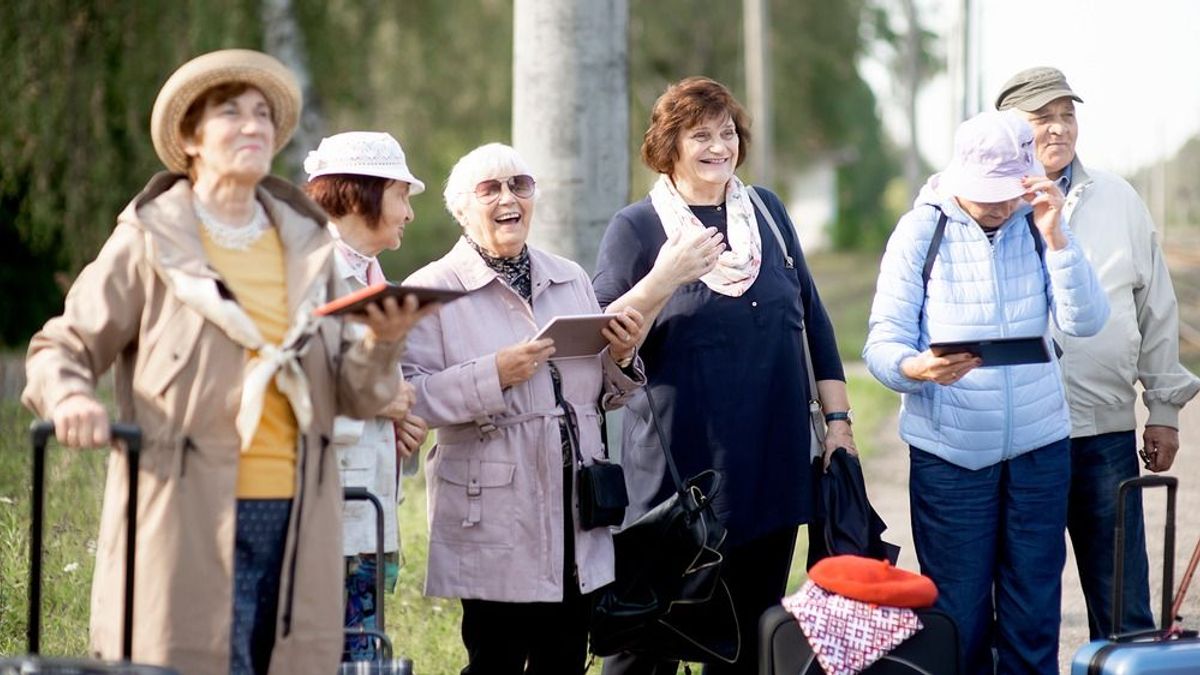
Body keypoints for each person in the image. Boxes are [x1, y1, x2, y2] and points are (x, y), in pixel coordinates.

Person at [21, 49, 424, 675]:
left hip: (299, 517)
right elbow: (61, 346)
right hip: (187, 515)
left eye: (263, 114)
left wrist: (383, 341)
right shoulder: (152, 237)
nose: (253, 126)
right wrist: (70, 397)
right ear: (190, 138)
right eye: (231, 113)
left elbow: (356, 393)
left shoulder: (304, 245)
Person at [592, 76, 856, 675]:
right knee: (645, 643)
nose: (718, 146)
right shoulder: (636, 228)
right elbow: (605, 345)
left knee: (749, 638)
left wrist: (838, 424)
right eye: (700, 135)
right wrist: (666, 275)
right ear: (670, 146)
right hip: (675, 479)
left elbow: (813, 321)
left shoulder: (767, 211)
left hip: (770, 464)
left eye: (727, 132)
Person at [863, 110, 1110, 674]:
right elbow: (882, 343)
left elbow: (1085, 321)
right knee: (958, 615)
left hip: (1040, 451)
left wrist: (1058, 239)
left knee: (1034, 612)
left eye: (1008, 193)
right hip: (951, 458)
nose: (1000, 206)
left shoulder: (1040, 222)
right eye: (987, 195)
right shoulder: (921, 230)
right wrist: (916, 368)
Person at [400, 142, 646, 675]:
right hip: (494, 508)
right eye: (490, 189)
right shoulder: (431, 289)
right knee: (496, 659)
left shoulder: (570, 277)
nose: (509, 198)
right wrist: (495, 374)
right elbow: (411, 397)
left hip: (575, 504)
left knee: (564, 658)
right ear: (462, 208)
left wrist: (622, 357)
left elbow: (599, 393)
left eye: (520, 185)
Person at [996, 66, 1200, 641]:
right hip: (1014, 436)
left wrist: (1163, 409)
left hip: (1102, 432)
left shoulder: (1119, 200)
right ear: (1009, 127)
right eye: (1043, 118)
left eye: (1067, 115)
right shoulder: (983, 200)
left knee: (1123, 603)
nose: (1058, 129)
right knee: (1022, 602)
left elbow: (1155, 308)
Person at [302, 131, 431, 660]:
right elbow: (295, 375)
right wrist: (385, 400)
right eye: (403, 196)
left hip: (365, 508)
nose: (409, 214)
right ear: (361, 194)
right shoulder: (312, 271)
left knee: (361, 651)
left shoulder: (370, 274)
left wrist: (402, 418)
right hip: (324, 504)